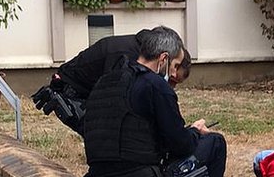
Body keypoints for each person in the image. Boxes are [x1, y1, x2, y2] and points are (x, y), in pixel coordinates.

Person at [81, 26, 232, 177]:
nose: (173, 74)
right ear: (163, 58)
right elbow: (181, 145)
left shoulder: (105, 82)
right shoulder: (155, 85)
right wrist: (194, 131)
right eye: (174, 66)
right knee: (215, 143)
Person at [33, 29, 191, 135]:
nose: (171, 79)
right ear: (164, 56)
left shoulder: (135, 49)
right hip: (72, 94)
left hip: (77, 88)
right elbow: (113, 102)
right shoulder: (128, 57)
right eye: (172, 78)